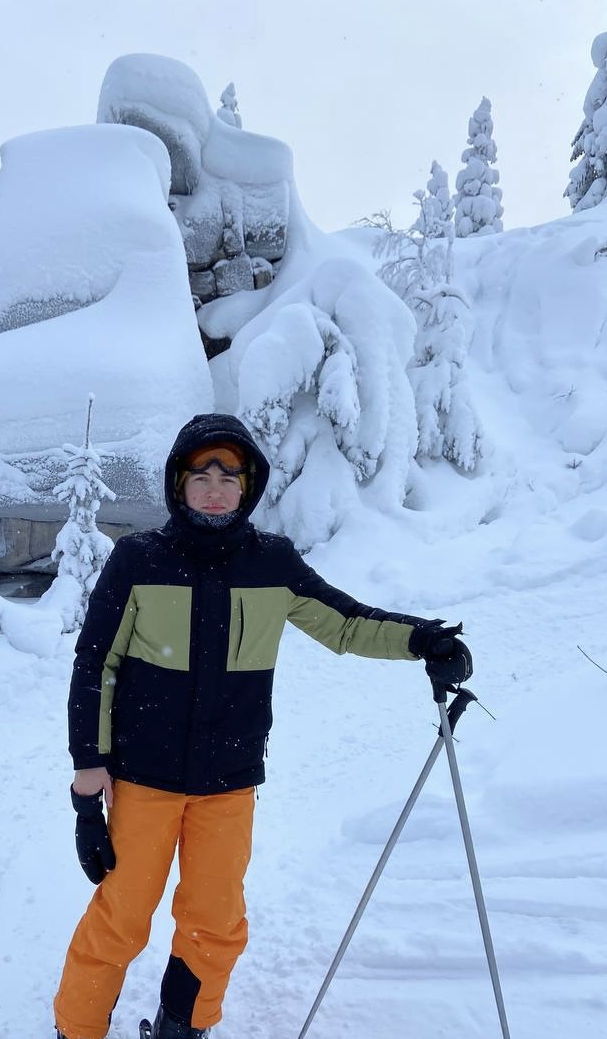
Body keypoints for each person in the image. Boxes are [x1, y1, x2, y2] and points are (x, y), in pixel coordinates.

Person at [53, 413, 471, 1039]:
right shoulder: (140, 559)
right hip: (143, 779)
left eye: (231, 474)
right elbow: (95, 666)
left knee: (215, 919)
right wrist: (89, 784)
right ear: (179, 482)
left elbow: (346, 622)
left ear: (248, 485)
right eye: (203, 473)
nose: (216, 486)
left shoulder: (270, 562)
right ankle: (77, 1030)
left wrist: (422, 641)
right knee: (122, 917)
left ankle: (182, 1028)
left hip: (228, 782)